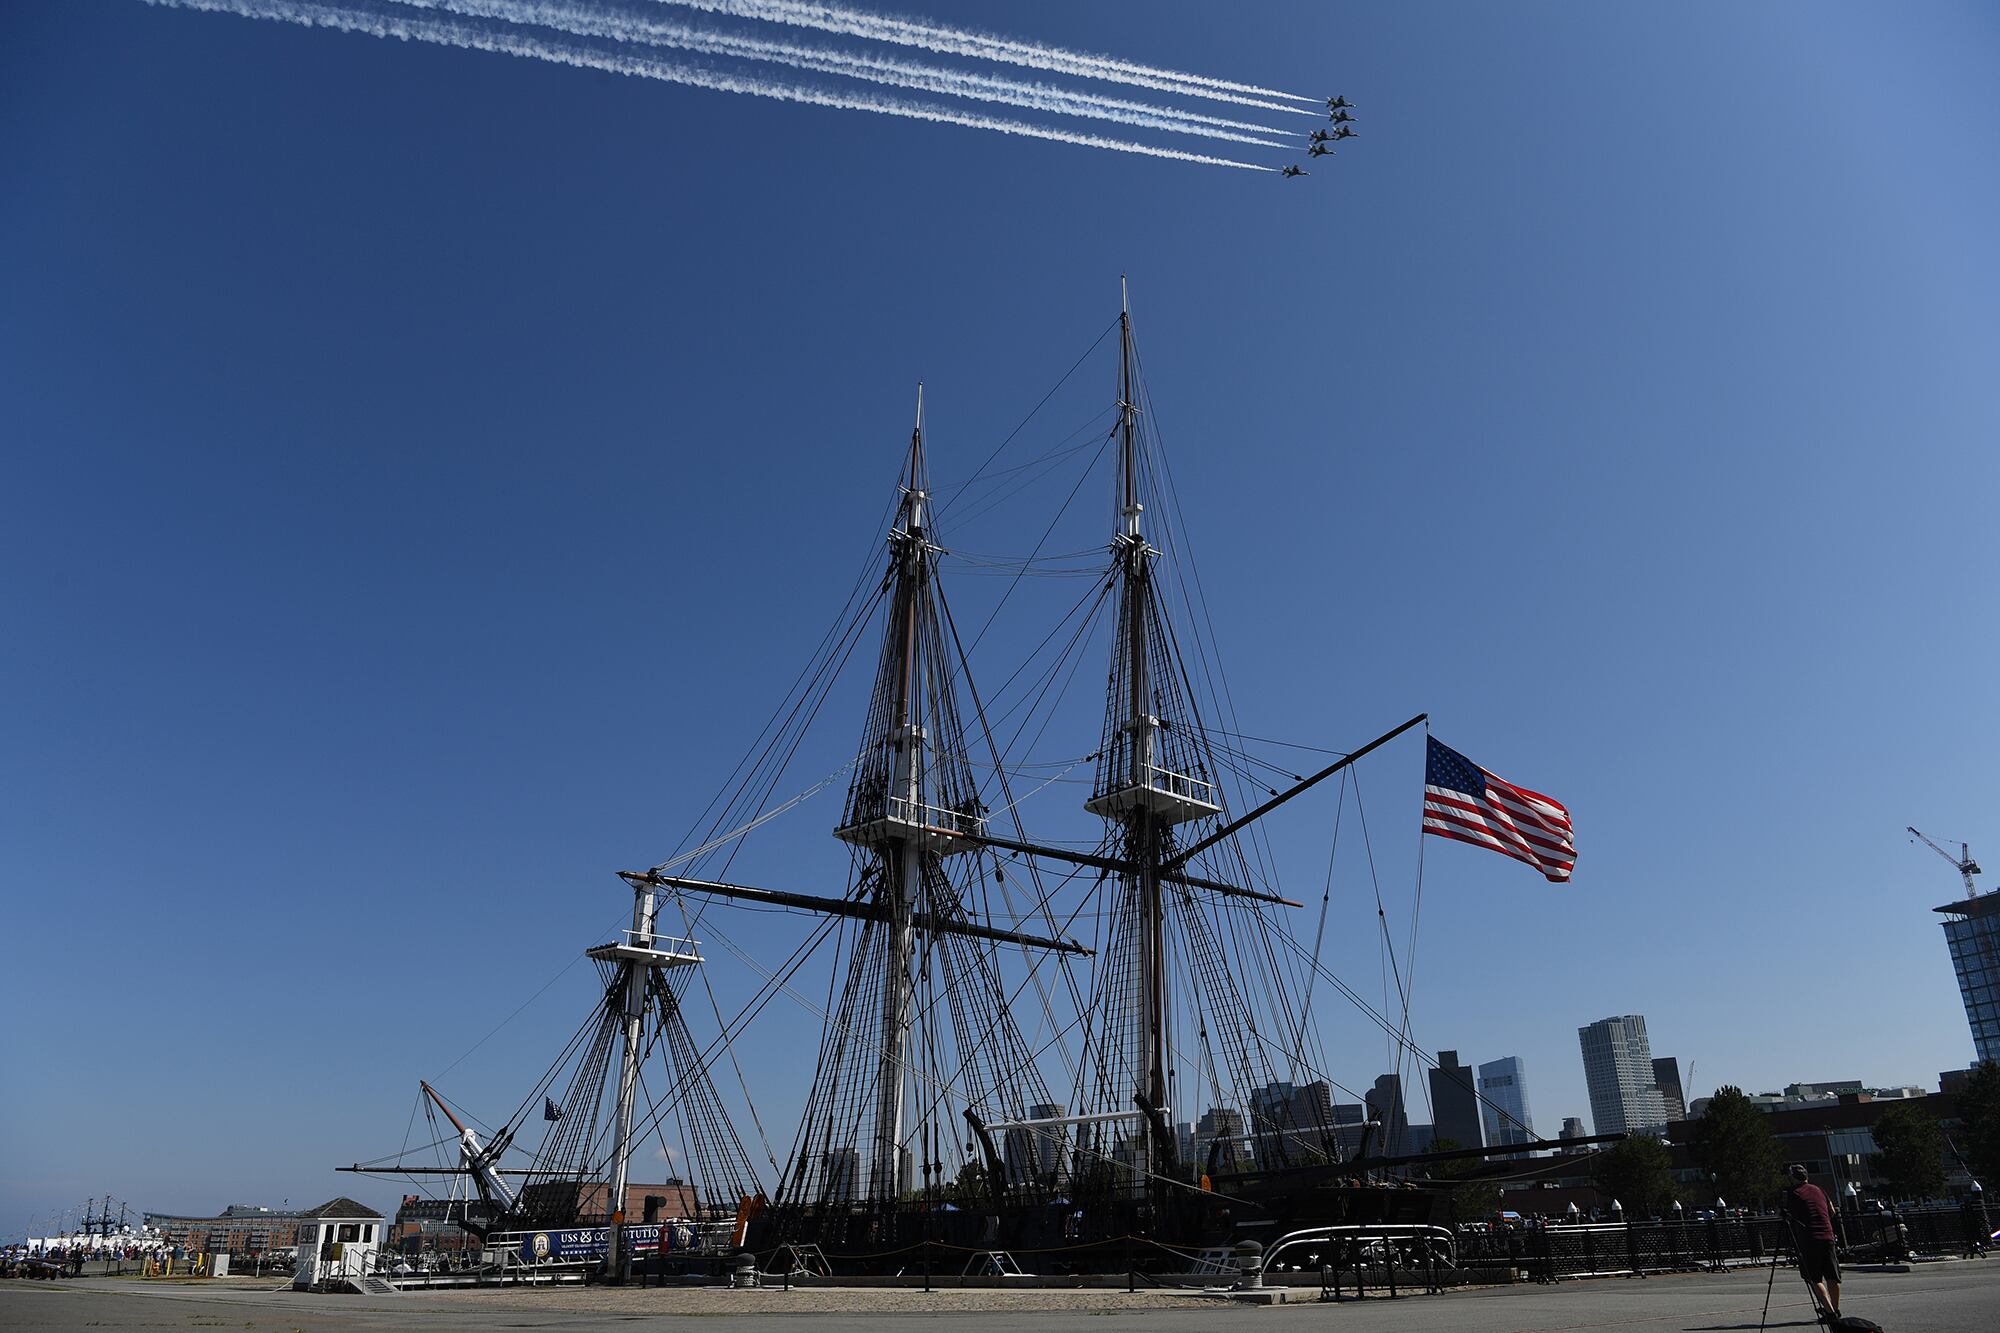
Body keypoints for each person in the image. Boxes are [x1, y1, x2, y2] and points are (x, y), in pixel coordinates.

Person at [1782, 1164, 1841, 1321]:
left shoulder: (1793, 1193)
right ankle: (1835, 1308)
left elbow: (1785, 1215)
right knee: (1832, 1275)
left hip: (1809, 1238)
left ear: (1792, 1178)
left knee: (1814, 1278)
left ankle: (1829, 1312)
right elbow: (1832, 1211)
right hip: (1827, 1236)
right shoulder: (1819, 1189)